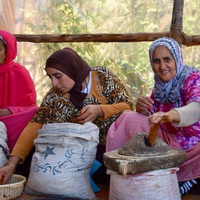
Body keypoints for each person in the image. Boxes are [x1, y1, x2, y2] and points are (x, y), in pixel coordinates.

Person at [106, 37, 200, 197]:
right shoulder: (159, 87)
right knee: (128, 118)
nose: (162, 66)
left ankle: (194, 177)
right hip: (170, 145)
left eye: (167, 59)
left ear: (177, 58)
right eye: (156, 61)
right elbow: (153, 118)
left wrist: (174, 115)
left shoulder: (193, 78)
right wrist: (142, 110)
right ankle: (134, 172)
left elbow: (198, 107)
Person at [0, 47, 133, 185]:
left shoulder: (101, 76)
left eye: (58, 76)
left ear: (72, 68)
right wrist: (11, 164)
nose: (54, 83)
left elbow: (127, 105)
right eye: (50, 77)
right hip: (72, 153)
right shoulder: (54, 95)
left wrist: (100, 110)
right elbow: (35, 124)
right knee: (34, 157)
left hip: (105, 149)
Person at [0, 30, 38, 155]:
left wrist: (6, 112)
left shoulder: (20, 73)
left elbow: (29, 109)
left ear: (8, 51)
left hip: (12, 123)